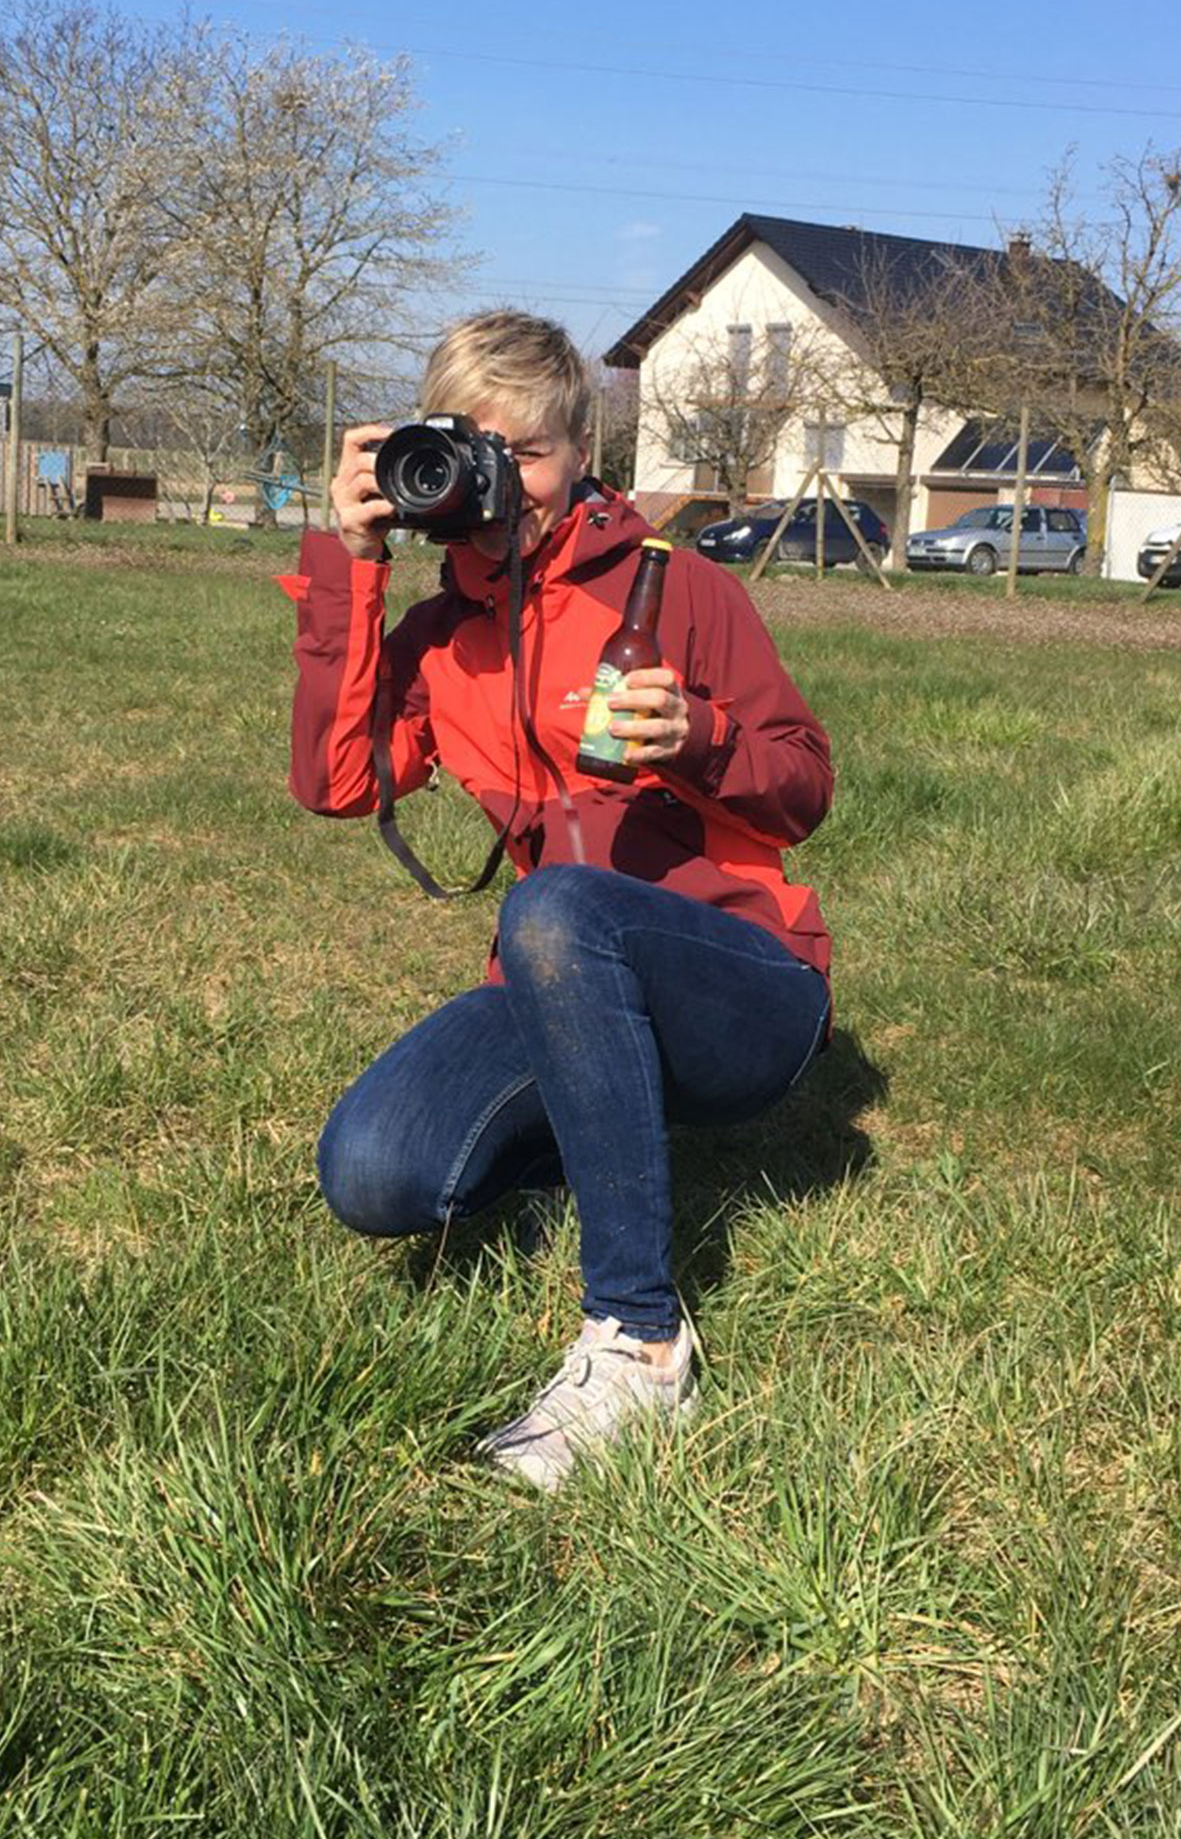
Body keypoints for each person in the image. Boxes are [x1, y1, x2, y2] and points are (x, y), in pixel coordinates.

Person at [283, 312, 834, 1489]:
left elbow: (804, 787)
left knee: (554, 907)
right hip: (559, 978)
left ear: (582, 447)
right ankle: (602, 1129)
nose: (500, 480)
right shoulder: (440, 638)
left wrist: (704, 735)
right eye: (467, 447)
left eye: (525, 451)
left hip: (742, 984)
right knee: (370, 1169)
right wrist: (352, 567)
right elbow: (339, 784)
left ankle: (637, 1337)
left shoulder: (676, 590)